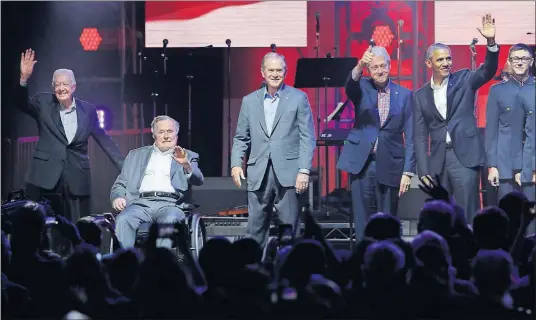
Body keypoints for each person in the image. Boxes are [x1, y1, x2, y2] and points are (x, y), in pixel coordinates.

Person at [17, 49, 124, 222]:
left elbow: (104, 140)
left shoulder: (88, 110)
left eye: (65, 84)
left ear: (73, 87)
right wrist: (23, 79)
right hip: (46, 176)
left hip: (76, 176)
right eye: (57, 85)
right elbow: (21, 103)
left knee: (79, 225)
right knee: (45, 226)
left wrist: (126, 168)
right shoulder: (43, 103)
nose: (61, 88)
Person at [413, 14, 499, 221]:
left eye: (448, 58)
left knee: (468, 214)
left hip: (464, 157)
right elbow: (420, 135)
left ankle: (469, 251)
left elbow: (488, 70)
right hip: (438, 162)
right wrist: (423, 170)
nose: (445, 63)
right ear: (428, 63)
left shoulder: (465, 79)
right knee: (439, 217)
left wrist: (491, 43)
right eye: (440, 59)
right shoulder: (419, 95)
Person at [230, 52, 316, 248]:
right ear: (263, 72)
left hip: (289, 173)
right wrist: (236, 164)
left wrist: (304, 170)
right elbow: (241, 137)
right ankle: (254, 271)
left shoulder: (298, 98)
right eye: (271, 70)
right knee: (255, 229)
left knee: (288, 229)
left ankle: (287, 273)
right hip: (258, 172)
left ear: (285, 72)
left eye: (279, 70)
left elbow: (307, 137)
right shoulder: (249, 101)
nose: (275, 74)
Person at [337, 45, 415, 239]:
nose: (380, 71)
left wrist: (408, 171)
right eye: (374, 68)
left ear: (389, 65)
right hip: (362, 164)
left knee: (388, 220)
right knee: (363, 220)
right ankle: (364, 261)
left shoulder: (404, 95)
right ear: (369, 70)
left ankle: (389, 261)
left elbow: (412, 136)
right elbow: (349, 85)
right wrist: (359, 66)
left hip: (390, 163)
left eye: (383, 66)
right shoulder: (361, 87)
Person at [110, 115, 204, 249]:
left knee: (169, 220)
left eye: (170, 131)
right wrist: (117, 197)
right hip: (140, 204)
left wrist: (186, 165)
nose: (166, 136)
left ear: (176, 134)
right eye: (161, 132)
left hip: (171, 205)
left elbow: (198, 179)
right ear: (154, 135)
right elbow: (120, 183)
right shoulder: (135, 155)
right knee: (123, 220)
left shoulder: (188, 155)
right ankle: (127, 264)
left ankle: (159, 264)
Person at [486, 44, 535, 200]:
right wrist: (492, 166)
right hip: (505, 167)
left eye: (524, 59)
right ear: (509, 61)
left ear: (532, 62)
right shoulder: (497, 91)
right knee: (507, 218)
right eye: (515, 59)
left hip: (532, 167)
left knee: (531, 220)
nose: (520, 62)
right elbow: (491, 133)